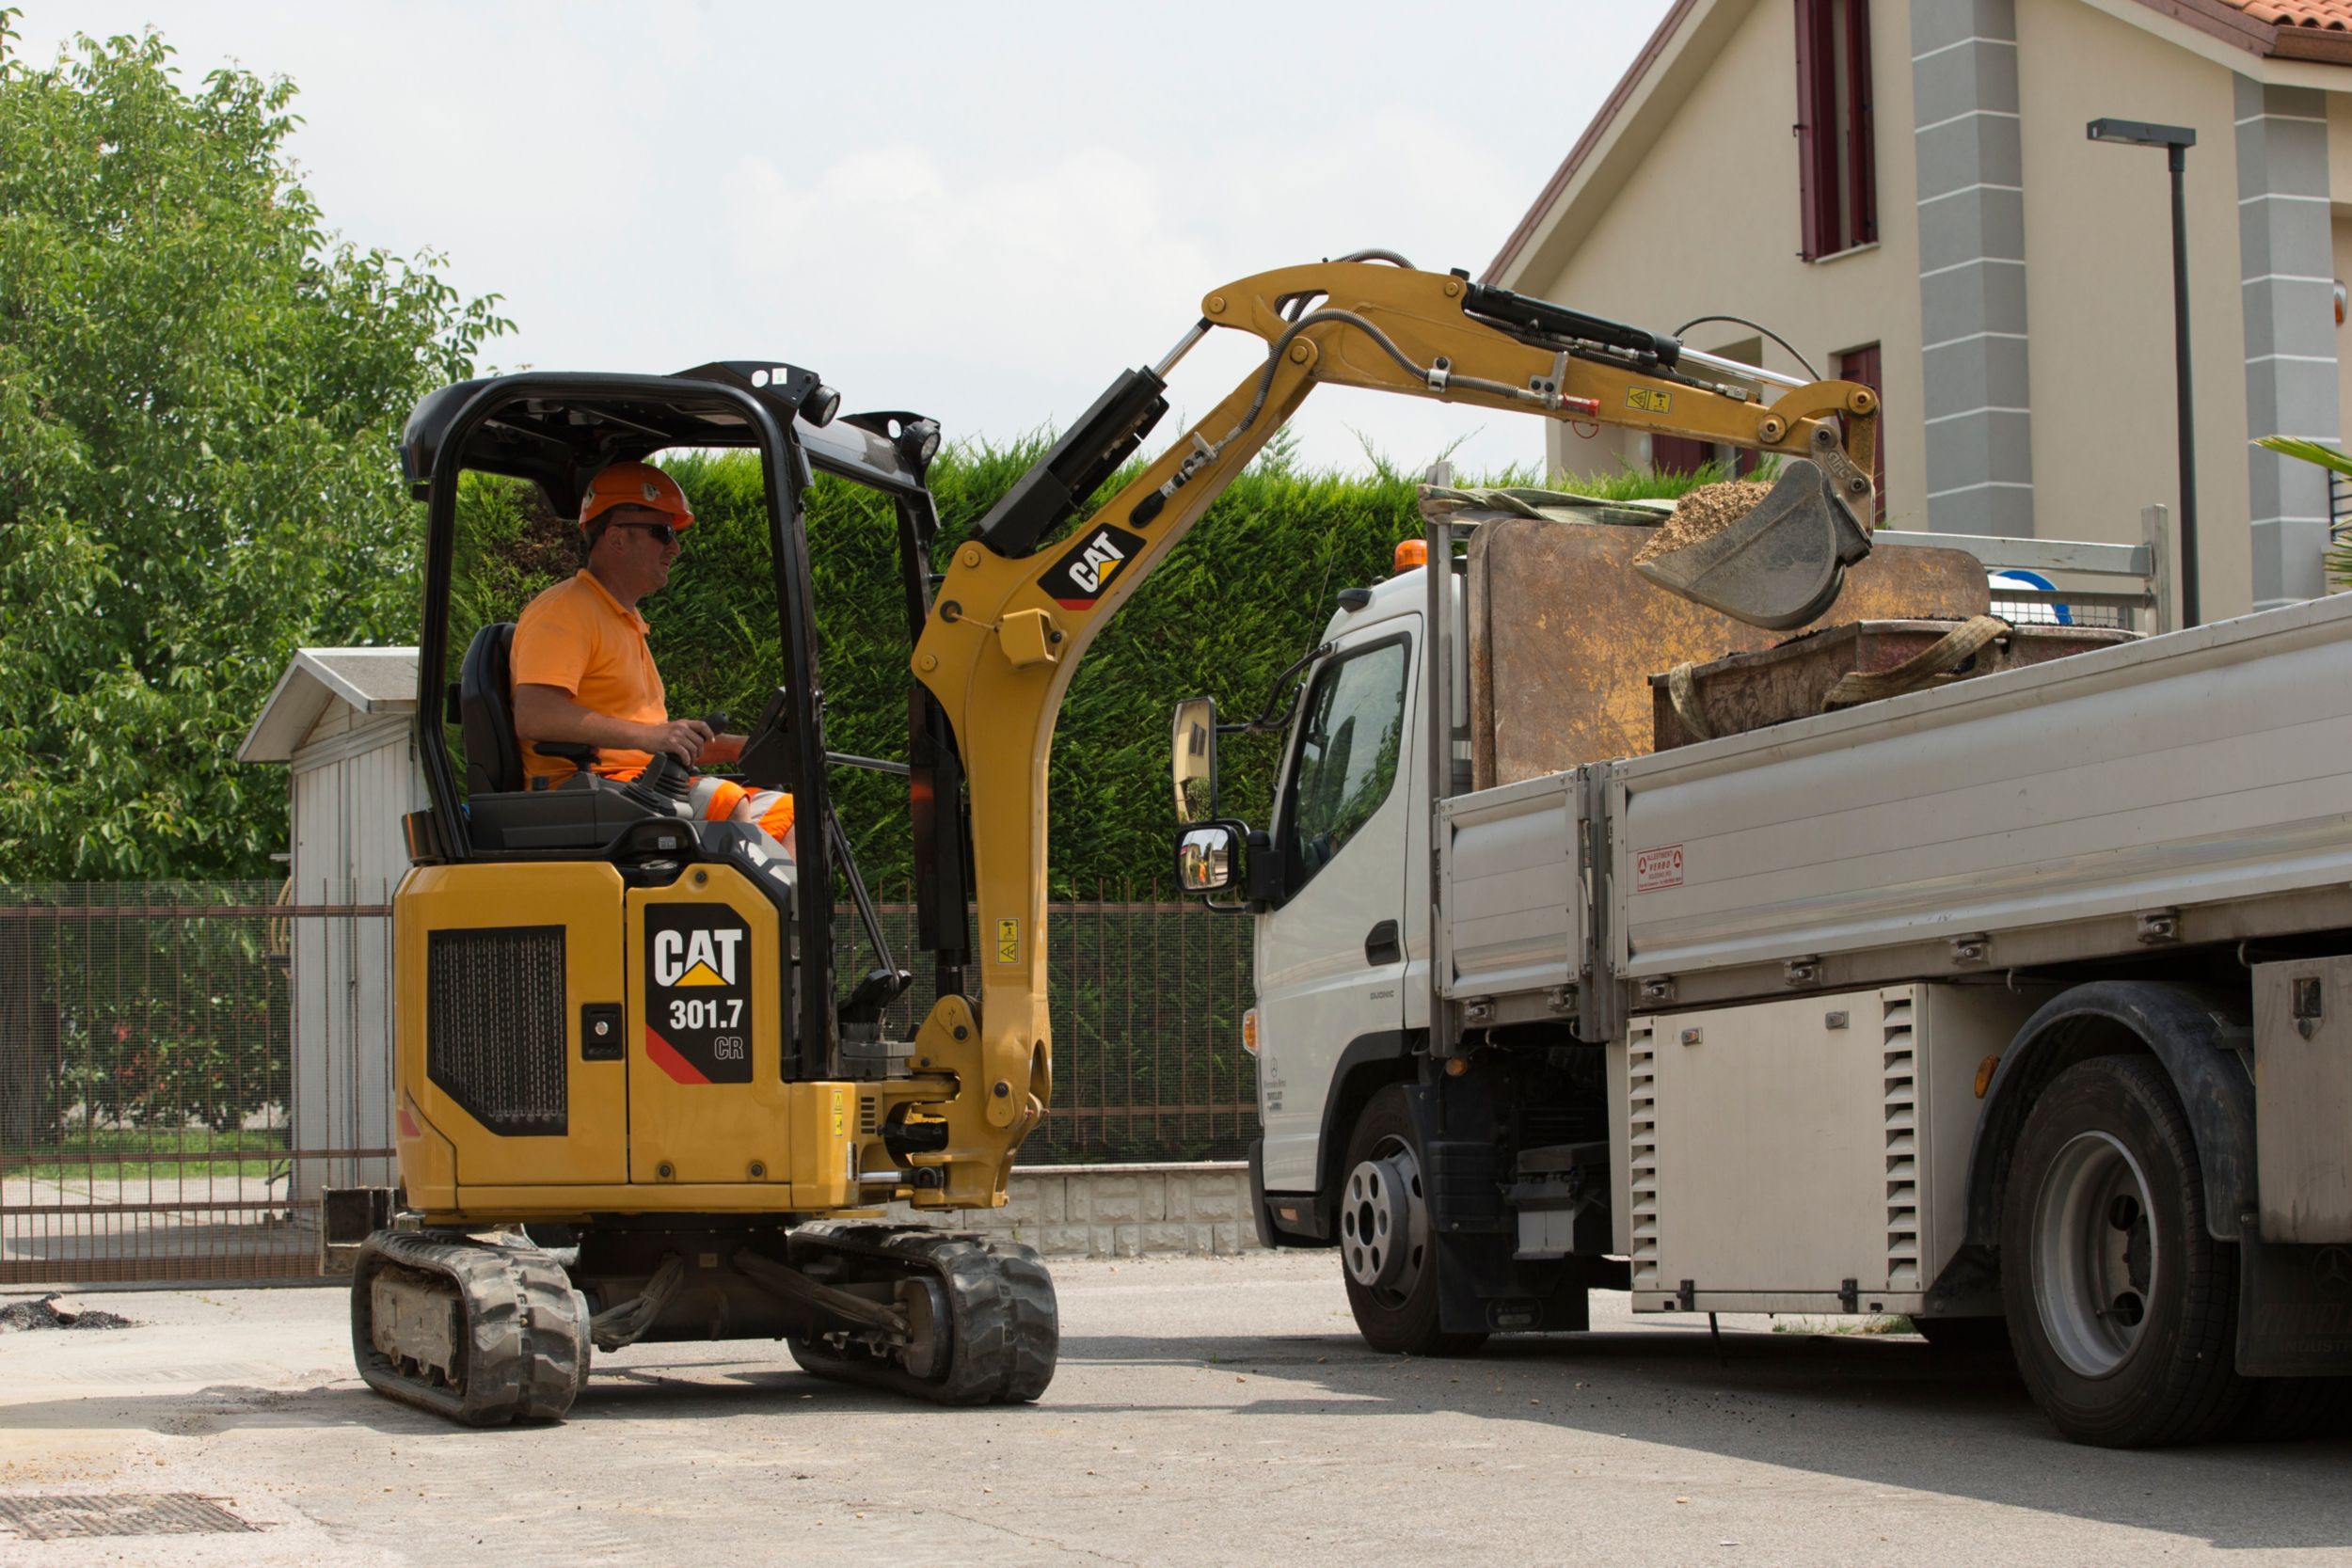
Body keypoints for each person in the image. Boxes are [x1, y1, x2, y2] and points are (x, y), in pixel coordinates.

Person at [509, 460, 795, 853]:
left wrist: (740, 748)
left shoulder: (625, 619)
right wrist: (651, 735)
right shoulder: (565, 609)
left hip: (637, 783)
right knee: (726, 803)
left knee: (794, 813)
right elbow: (535, 715)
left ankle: (793, 917)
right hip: (582, 792)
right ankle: (732, 917)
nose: (675, 548)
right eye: (663, 533)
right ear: (616, 538)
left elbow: (654, 739)